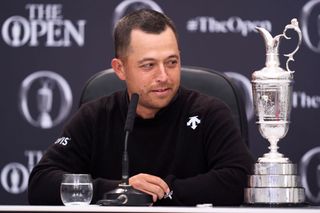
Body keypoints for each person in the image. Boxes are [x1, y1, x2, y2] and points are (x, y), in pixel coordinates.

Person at [28, 9, 253, 206]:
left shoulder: (209, 113)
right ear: (120, 69)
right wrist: (121, 189)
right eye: (148, 66)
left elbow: (240, 178)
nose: (164, 76)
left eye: (172, 62)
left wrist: (162, 192)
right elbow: (41, 183)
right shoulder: (95, 117)